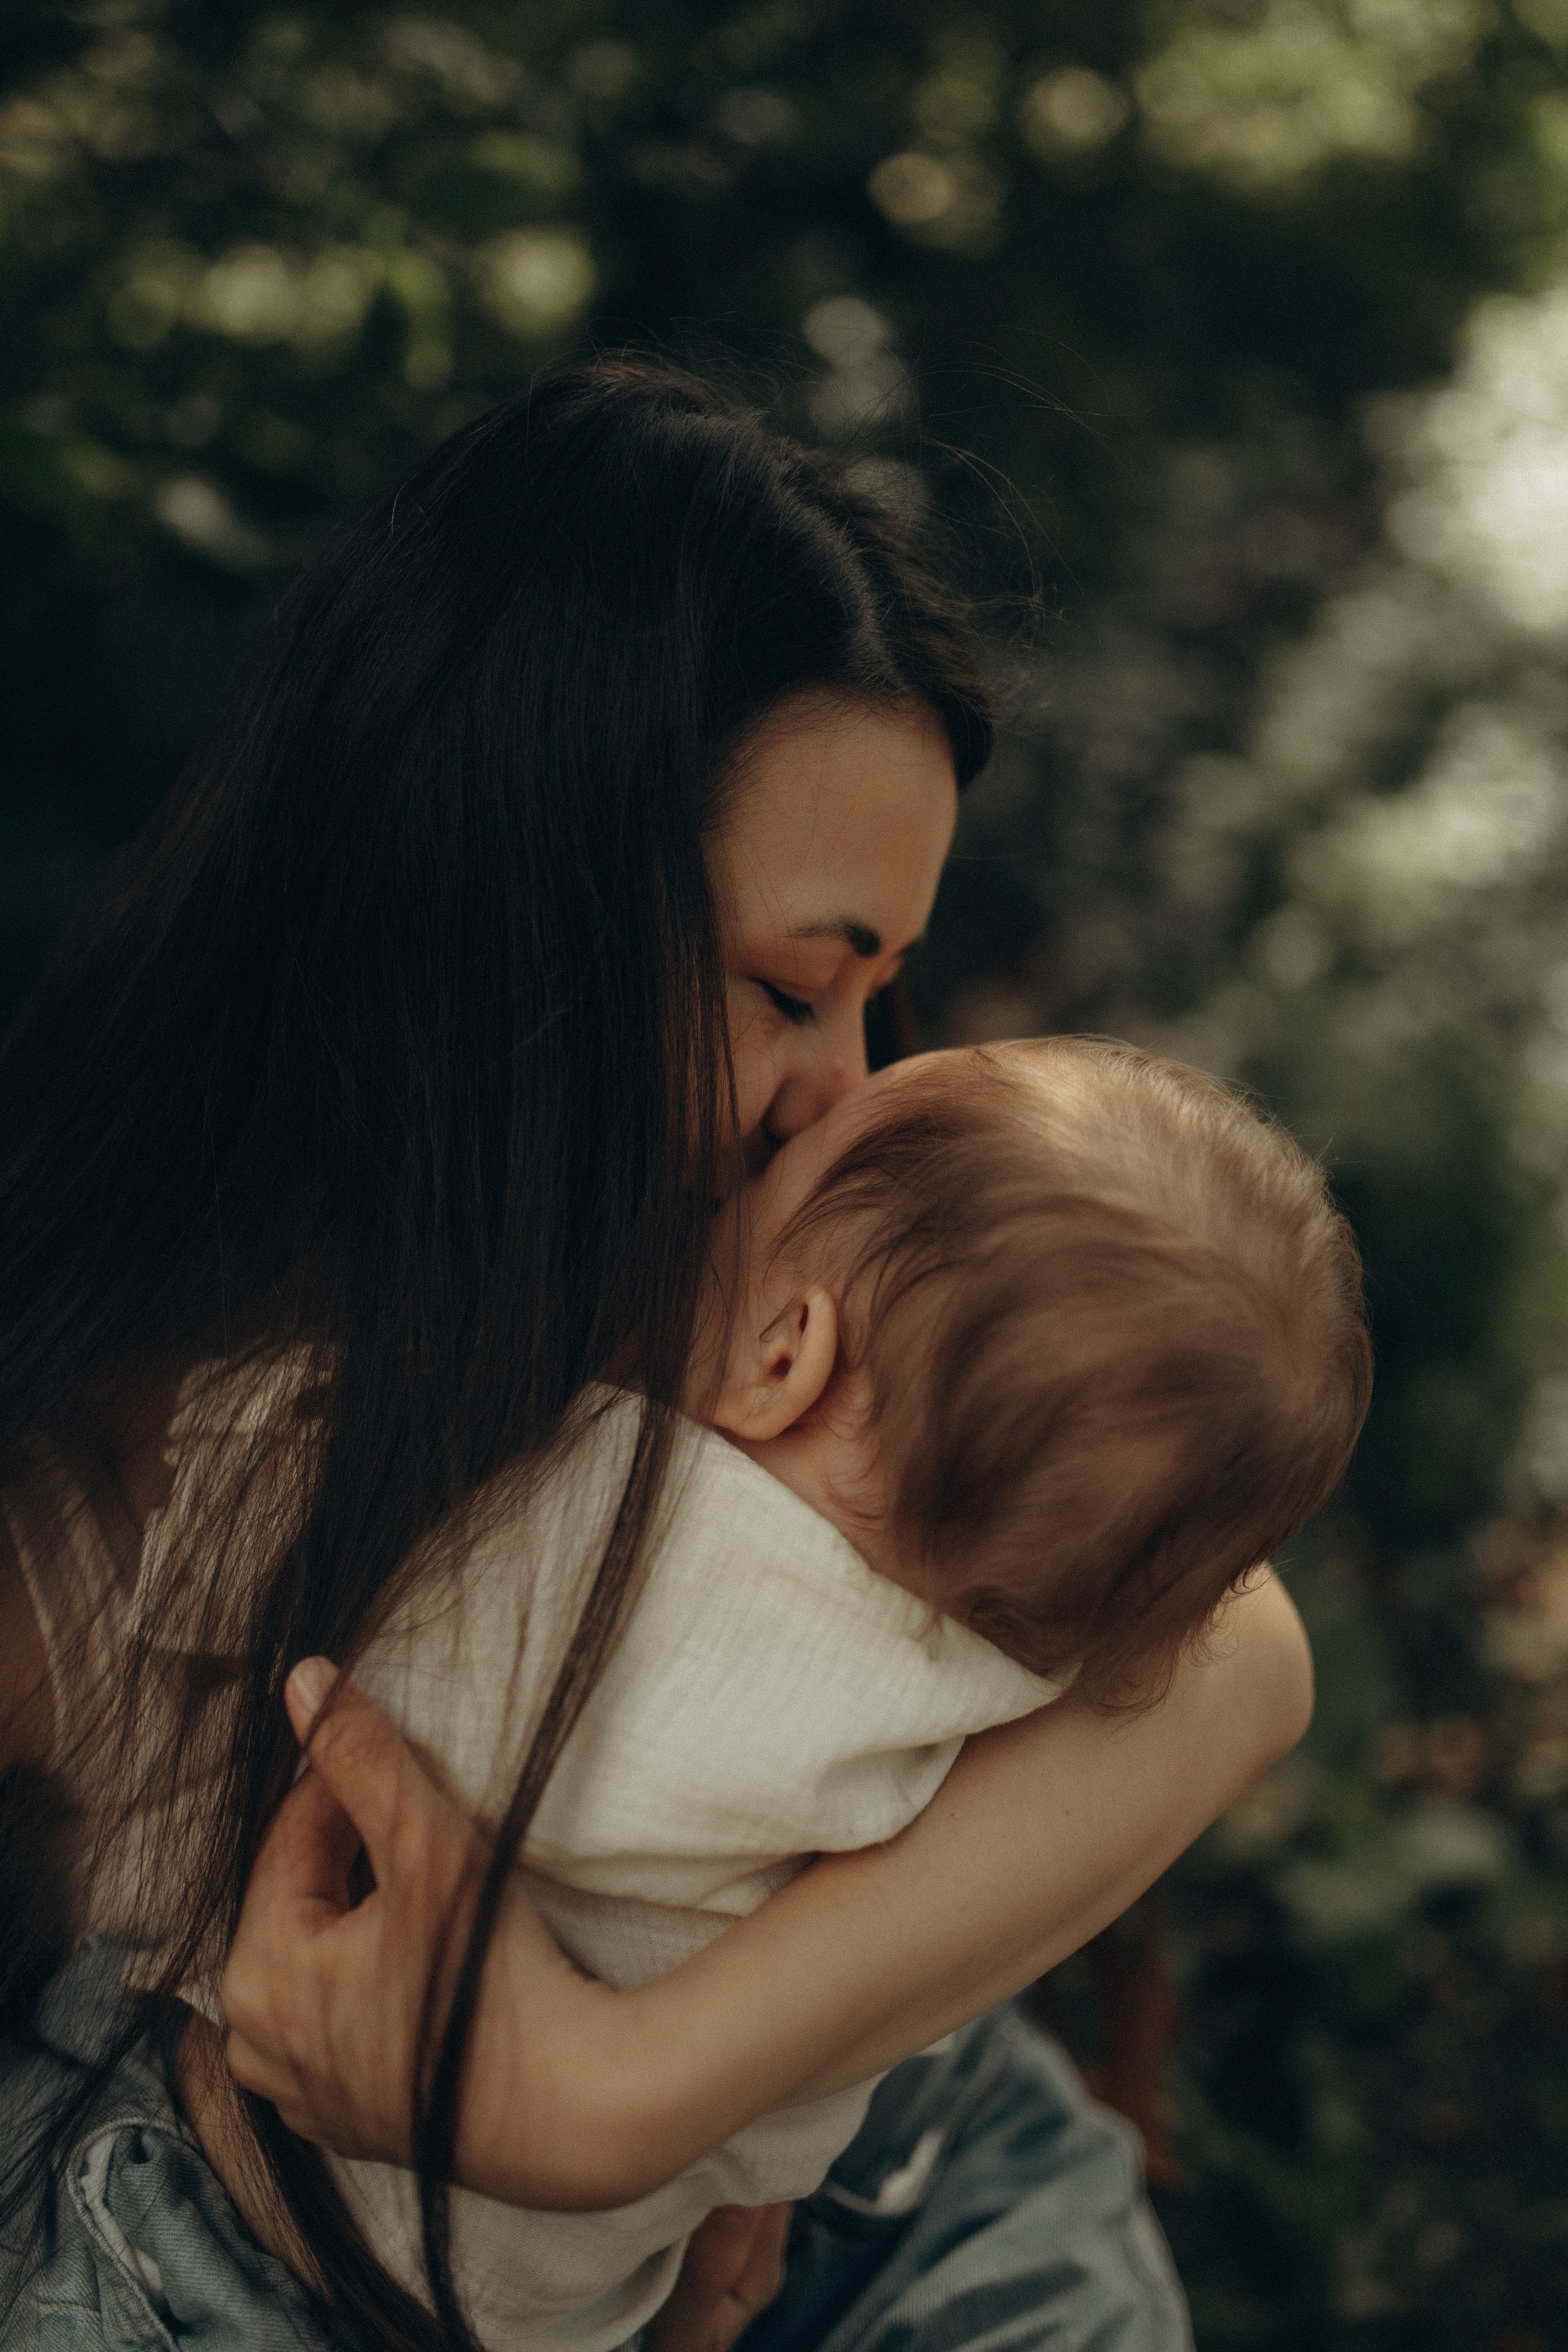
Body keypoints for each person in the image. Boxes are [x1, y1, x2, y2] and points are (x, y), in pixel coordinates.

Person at [0, 361, 1316, 2352]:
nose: (843, 1094)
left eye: (878, 993)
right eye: (792, 988)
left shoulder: (741, 1274)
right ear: (499, 917)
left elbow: (1241, 1654)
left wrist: (631, 2101)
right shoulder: (119, 1455)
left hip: (869, 2183)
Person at [164, 1034, 1365, 2352]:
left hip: (226, 2206)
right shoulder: (981, 1716)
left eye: (765, 1190)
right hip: (566, 2313)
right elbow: (773, 2144)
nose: (826, 1080)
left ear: (784, 1356)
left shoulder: (596, 1506)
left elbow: (226, 1541)